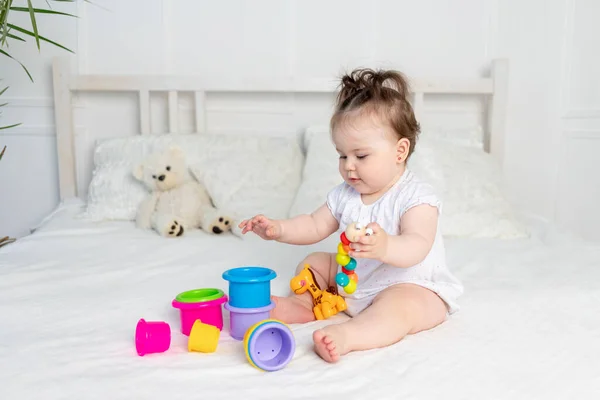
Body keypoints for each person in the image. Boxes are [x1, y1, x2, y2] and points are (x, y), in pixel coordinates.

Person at [239, 68, 463, 363]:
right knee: (314, 263)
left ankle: (350, 335)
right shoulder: (345, 194)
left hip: (412, 285)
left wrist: (385, 247)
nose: (348, 166)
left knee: (399, 309)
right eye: (342, 155)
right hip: (356, 281)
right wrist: (278, 229)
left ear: (400, 151)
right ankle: (304, 305)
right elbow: (314, 224)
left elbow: (417, 244)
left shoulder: (416, 197)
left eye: (361, 156)